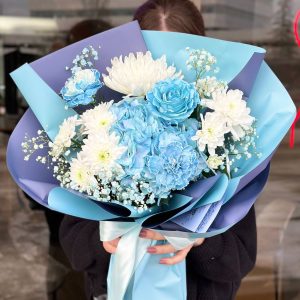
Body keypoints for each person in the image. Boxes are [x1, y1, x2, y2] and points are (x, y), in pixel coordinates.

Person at [59, 1, 257, 299]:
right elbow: (74, 242)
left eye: (179, 58)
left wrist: (201, 238)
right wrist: (106, 239)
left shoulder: (224, 135)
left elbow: (240, 257)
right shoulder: (101, 128)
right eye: (155, 57)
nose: (166, 76)